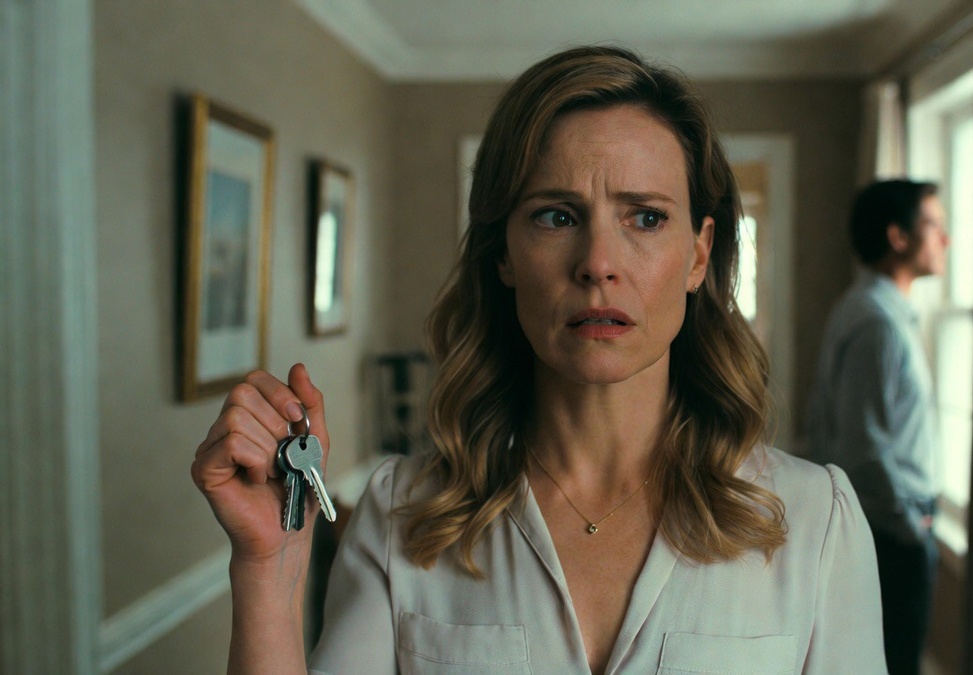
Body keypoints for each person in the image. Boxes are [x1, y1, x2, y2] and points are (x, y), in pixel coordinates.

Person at [192, 45, 885, 674]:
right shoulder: (403, 513)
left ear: (699, 254)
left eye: (645, 217)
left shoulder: (815, 521)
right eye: (557, 215)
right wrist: (269, 569)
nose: (598, 263)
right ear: (504, 253)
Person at [806, 179, 950, 675]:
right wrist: (909, 528)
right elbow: (863, 448)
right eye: (934, 225)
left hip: (890, 524)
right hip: (890, 532)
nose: (946, 239)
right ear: (898, 237)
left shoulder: (873, 310)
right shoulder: (876, 323)